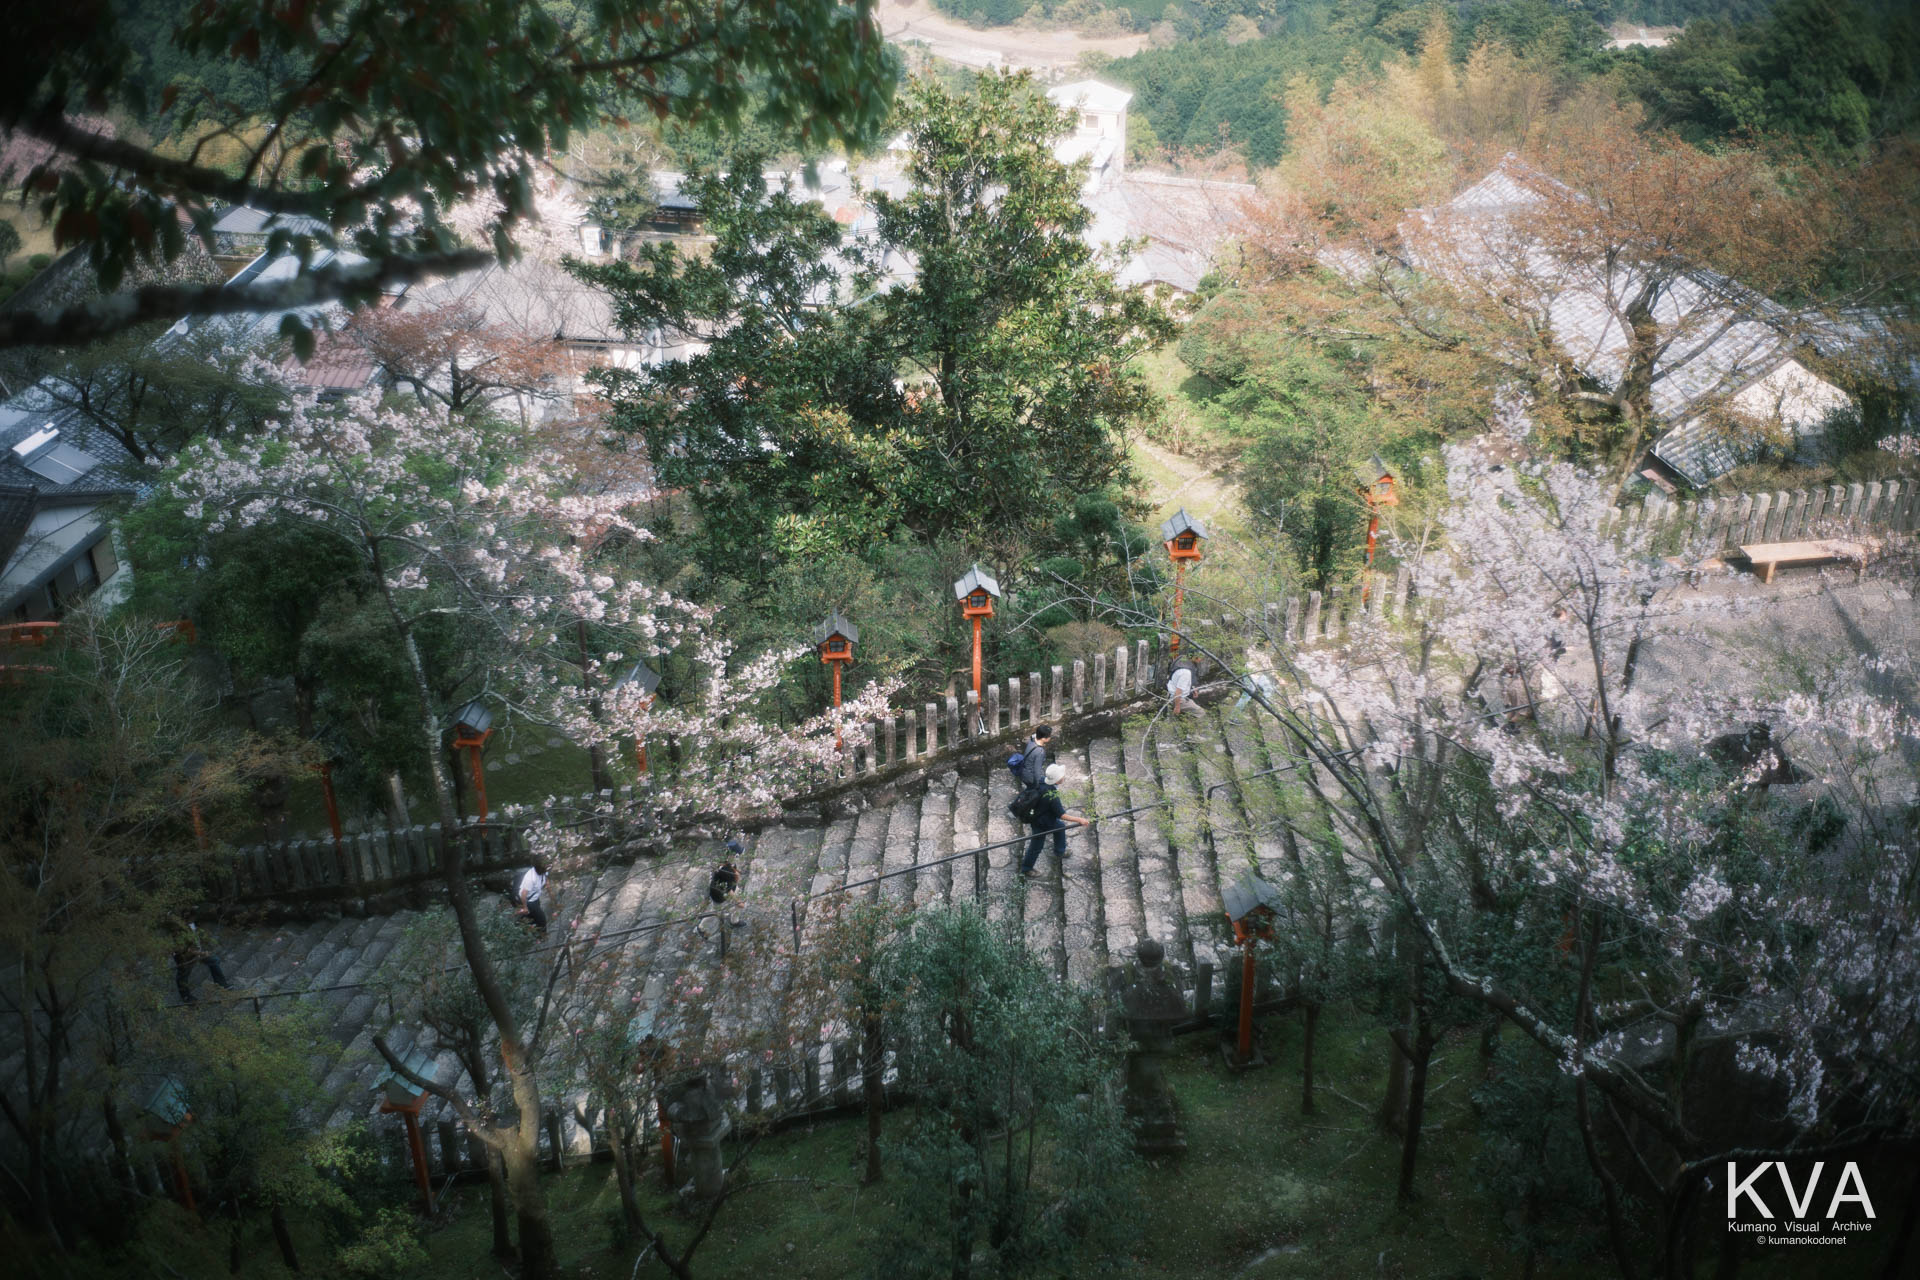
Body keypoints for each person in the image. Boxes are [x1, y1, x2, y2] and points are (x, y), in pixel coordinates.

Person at [1019, 762, 1088, 876]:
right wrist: (1080, 820)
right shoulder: (1052, 795)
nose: (1064, 776)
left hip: (1040, 816)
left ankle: (1060, 851)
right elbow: (1062, 815)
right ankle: (1026, 869)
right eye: (1062, 775)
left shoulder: (1041, 781)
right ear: (1058, 780)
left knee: (1060, 826)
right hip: (1041, 823)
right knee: (1036, 846)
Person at [170, 911, 232, 1004]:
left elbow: (196, 937)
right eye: (193, 917)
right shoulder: (179, 930)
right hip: (184, 957)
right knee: (183, 975)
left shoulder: (192, 923)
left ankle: (221, 984)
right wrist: (201, 953)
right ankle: (186, 996)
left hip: (198, 952)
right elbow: (184, 949)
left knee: (214, 960)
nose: (195, 918)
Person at [516, 857, 551, 936]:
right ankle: (542, 937)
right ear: (539, 868)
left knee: (532, 916)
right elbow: (523, 894)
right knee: (541, 920)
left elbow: (546, 877)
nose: (547, 868)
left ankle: (520, 926)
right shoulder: (530, 878)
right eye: (545, 867)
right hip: (529, 901)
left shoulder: (543, 870)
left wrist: (548, 886)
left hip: (535, 898)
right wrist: (525, 907)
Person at [1018, 724, 1053, 788]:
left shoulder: (1032, 739)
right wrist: (1038, 786)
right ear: (1043, 738)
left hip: (1024, 771)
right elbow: (1037, 771)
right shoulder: (1040, 751)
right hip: (1029, 778)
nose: (1050, 737)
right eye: (1049, 736)